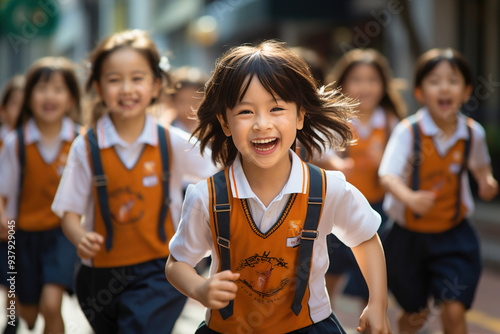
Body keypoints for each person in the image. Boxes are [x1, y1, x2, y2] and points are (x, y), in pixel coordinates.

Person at [165, 40, 392, 334]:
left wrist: (378, 303)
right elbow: (177, 263)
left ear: (299, 116)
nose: (262, 124)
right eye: (246, 112)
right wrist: (200, 288)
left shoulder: (327, 189)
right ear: (224, 121)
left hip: (310, 326)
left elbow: (365, 239)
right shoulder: (206, 197)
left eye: (276, 109)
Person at [51, 30, 218, 333]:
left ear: (156, 85)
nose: (126, 89)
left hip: (161, 270)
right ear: (98, 88)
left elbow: (222, 173)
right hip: (98, 276)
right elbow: (68, 213)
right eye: (114, 80)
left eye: (137, 78)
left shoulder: (171, 141)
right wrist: (80, 238)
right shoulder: (85, 147)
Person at [379, 48, 498, 334]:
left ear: (467, 90)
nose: (444, 87)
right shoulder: (409, 132)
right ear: (419, 92)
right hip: (408, 239)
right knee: (414, 315)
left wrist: (487, 181)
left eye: (453, 80)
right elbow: (387, 175)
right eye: (434, 81)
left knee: (455, 309)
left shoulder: (473, 133)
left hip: (454, 236)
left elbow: (481, 167)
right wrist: (410, 198)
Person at [0, 57, 81, 333]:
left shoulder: (80, 141)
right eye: (42, 88)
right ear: (29, 96)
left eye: (58, 89)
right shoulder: (16, 143)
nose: (50, 96)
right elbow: (4, 192)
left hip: (63, 233)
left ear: (71, 98)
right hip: (23, 236)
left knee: (51, 304)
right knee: (28, 313)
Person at [321, 49, 406, 310]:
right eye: (357, 79)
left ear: (383, 85)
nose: (365, 87)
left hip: (376, 210)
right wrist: (335, 163)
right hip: (336, 210)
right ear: (344, 83)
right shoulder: (335, 120)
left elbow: (406, 165)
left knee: (369, 281)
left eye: (372, 80)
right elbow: (319, 152)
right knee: (327, 277)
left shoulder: (392, 124)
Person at [0, 74, 24, 334]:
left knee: (13, 273)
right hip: (5, 221)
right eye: (15, 103)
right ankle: (12, 317)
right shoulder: (8, 141)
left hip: (18, 223)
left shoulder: (26, 141)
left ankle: (13, 317)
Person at [170, 66, 209, 134]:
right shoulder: (166, 132)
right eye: (182, 101)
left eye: (195, 102)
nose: (188, 108)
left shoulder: (214, 131)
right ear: (172, 101)